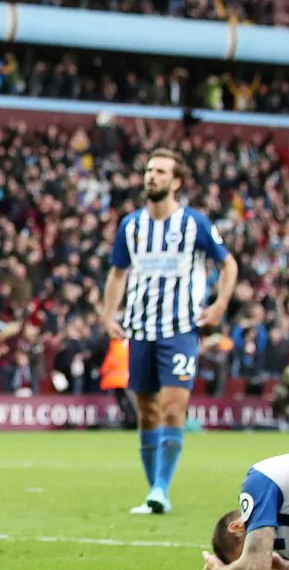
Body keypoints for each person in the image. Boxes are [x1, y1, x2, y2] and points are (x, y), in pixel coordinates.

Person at [100, 148, 239, 515]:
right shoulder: (131, 226)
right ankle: (155, 489)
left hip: (179, 330)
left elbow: (229, 264)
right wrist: (108, 314)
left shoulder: (194, 223)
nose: (152, 176)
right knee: (147, 413)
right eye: (149, 170)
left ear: (176, 182)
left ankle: (161, 489)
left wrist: (220, 304)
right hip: (140, 329)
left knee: (174, 409)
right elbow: (118, 273)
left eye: (161, 171)